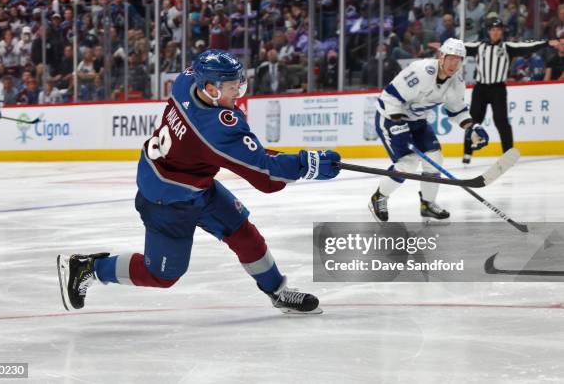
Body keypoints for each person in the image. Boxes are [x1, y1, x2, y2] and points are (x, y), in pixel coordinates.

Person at [57, 50, 341, 314]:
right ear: (211, 89)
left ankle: (278, 292)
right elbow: (266, 175)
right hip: (167, 201)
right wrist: (310, 163)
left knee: (243, 233)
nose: (238, 94)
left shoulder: (186, 82)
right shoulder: (215, 129)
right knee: (162, 275)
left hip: (192, 184)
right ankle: (90, 268)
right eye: (233, 88)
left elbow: (251, 157)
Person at [369, 38, 489, 223]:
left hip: (417, 122)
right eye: (451, 58)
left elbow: (457, 110)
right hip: (390, 118)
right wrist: (397, 125)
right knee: (408, 164)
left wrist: (472, 128)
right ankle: (379, 198)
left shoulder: (456, 81)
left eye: (459, 60)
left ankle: (427, 204)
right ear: (441, 56)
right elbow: (391, 96)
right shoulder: (421, 71)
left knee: (434, 159)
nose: (454, 63)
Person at [460, 18, 559, 163]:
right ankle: (467, 153)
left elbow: (527, 46)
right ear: (488, 31)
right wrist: (443, 46)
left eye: (498, 30)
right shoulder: (479, 46)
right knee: (474, 121)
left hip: (498, 89)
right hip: (480, 88)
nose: (495, 32)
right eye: (493, 30)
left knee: (501, 121)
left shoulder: (507, 47)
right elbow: (460, 46)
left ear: (501, 32)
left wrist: (546, 43)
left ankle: (508, 154)